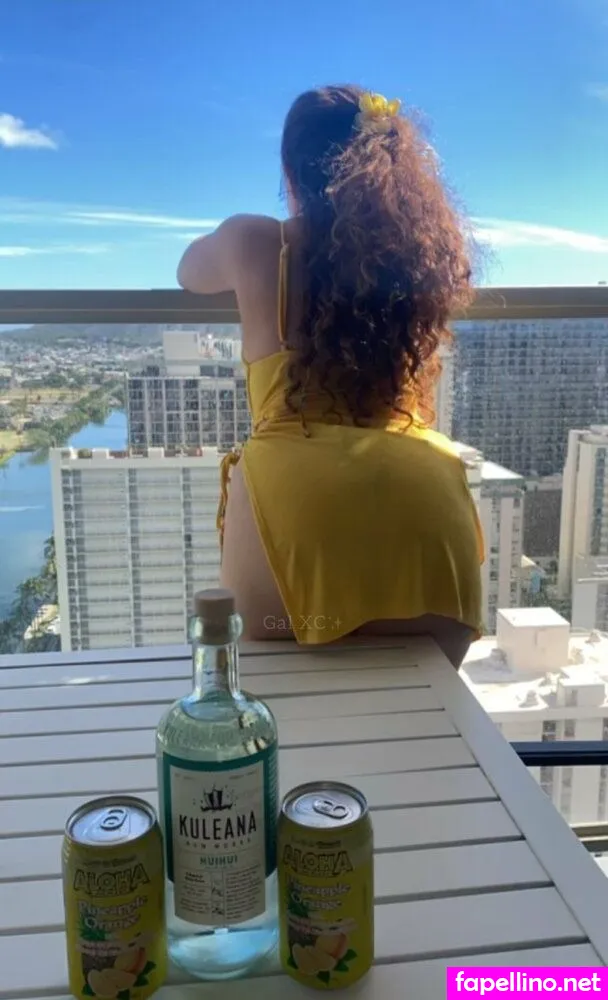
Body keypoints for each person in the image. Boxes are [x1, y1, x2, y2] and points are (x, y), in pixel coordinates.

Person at [177, 85, 483, 668]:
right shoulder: (414, 260)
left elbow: (188, 271)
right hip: (428, 497)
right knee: (423, 701)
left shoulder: (255, 241)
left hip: (294, 496)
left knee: (274, 689)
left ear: (292, 172)